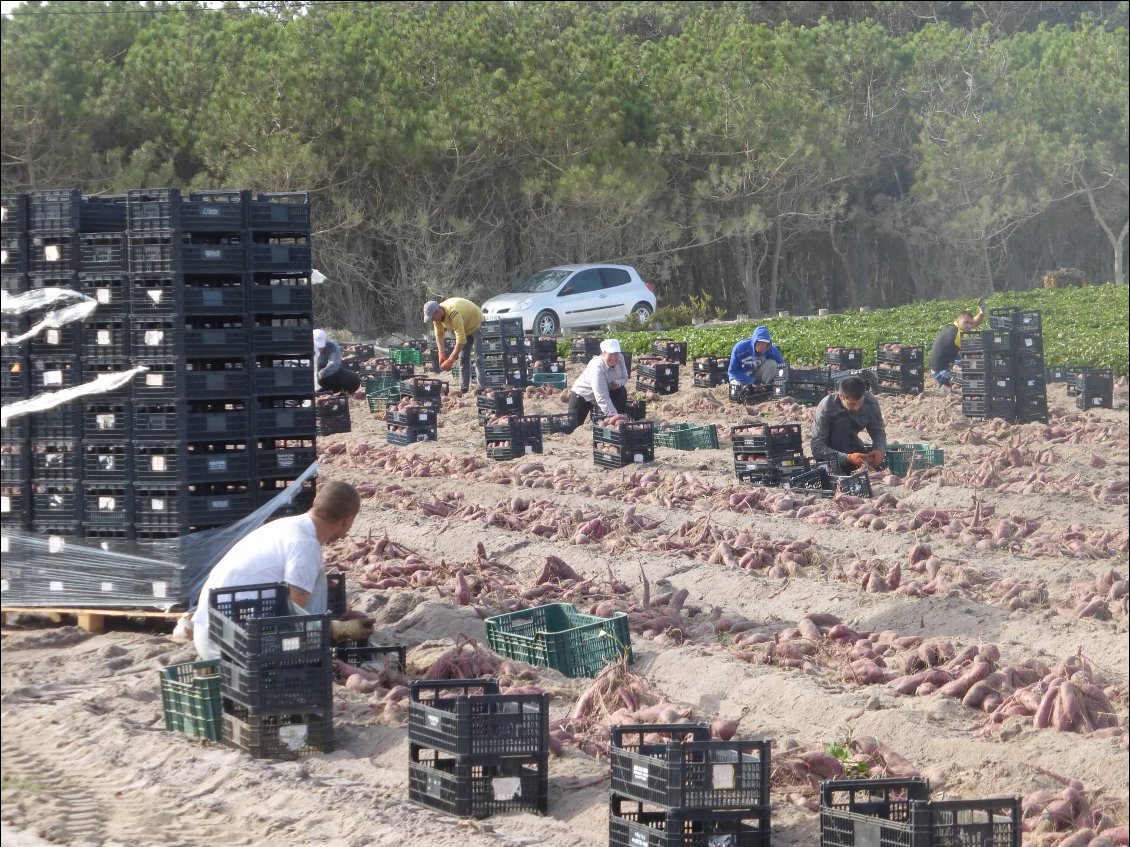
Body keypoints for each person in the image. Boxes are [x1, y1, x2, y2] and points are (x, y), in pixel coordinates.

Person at [191, 480, 374, 660]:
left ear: (315, 501)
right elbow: (294, 618)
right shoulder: (305, 545)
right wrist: (337, 629)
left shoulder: (286, 527)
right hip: (231, 647)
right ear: (347, 521)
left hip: (212, 631)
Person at [810, 375, 888, 475]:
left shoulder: (870, 403)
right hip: (831, 453)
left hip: (854, 446)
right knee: (843, 421)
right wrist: (847, 458)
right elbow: (817, 446)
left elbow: (878, 431)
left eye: (859, 403)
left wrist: (880, 450)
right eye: (852, 404)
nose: (856, 408)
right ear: (841, 397)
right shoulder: (827, 406)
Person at [564, 338, 630, 433]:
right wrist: (613, 415)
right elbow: (601, 396)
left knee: (621, 391)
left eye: (616, 354)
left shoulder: (621, 358)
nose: (614, 358)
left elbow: (625, 377)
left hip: (606, 391)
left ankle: (616, 430)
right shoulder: (597, 368)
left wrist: (619, 382)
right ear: (603, 354)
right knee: (573, 428)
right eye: (610, 354)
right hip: (583, 395)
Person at [424, 297, 483, 394]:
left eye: (433, 317)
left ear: (438, 311)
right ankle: (464, 388)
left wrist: (450, 359)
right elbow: (439, 334)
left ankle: (482, 387)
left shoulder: (453, 313)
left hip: (477, 323)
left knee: (479, 358)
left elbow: (461, 340)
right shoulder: (436, 319)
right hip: (465, 327)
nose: (433, 320)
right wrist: (441, 353)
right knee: (463, 358)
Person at [929, 299, 987, 386]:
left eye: (970, 323)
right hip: (942, 374)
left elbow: (974, 322)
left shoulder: (952, 326)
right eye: (966, 323)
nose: (969, 326)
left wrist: (981, 313)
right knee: (974, 361)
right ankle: (955, 379)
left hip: (937, 369)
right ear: (958, 321)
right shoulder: (958, 335)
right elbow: (974, 352)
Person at [313, 329, 362, 394]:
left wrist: (321, 374)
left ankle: (332, 390)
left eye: (322, 346)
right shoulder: (307, 346)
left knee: (355, 379)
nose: (320, 348)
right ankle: (324, 390)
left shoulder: (332, 345)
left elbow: (334, 363)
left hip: (332, 373)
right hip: (315, 373)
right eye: (318, 346)